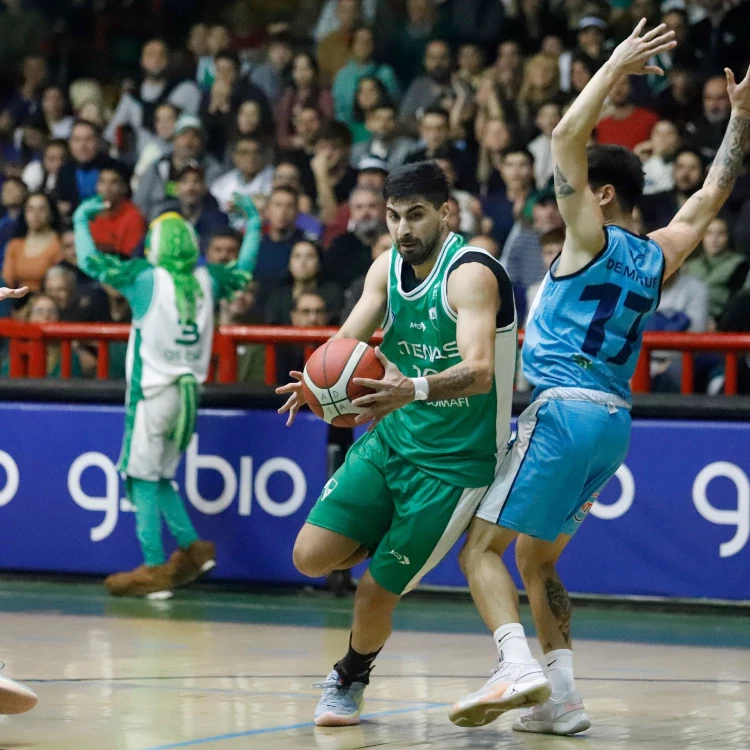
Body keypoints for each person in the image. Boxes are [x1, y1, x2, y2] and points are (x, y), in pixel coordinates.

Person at [451, 21, 750, 736]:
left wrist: (615, 64)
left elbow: (561, 137)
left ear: (604, 195)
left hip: (562, 410)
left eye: (580, 192)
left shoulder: (591, 238)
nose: (562, 205)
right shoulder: (658, 256)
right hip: (614, 423)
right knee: (536, 558)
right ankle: (564, 701)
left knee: (480, 550)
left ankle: (514, 664)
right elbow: (709, 196)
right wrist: (739, 119)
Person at [276, 161, 517, 727]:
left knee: (372, 594)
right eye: (393, 216)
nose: (403, 228)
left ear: (445, 213)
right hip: (391, 441)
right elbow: (345, 341)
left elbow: (480, 371)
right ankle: (381, 530)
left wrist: (411, 387)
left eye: (415, 215)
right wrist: (315, 386)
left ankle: (349, 678)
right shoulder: (385, 268)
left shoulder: (471, 275)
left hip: (453, 466)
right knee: (309, 557)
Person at [72, 192, 262, 598]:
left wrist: (79, 220)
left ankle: (155, 569)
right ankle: (195, 549)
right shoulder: (207, 279)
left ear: (154, 245)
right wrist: (255, 227)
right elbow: (244, 271)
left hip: (154, 395)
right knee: (160, 479)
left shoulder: (145, 278)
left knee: (139, 478)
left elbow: (90, 262)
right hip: (190, 397)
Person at [685, 217, 748, 327]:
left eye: (720, 234)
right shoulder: (689, 266)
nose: (714, 239)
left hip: (725, 323)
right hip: (690, 321)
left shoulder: (740, 264)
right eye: (708, 233)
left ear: (728, 237)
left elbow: (740, 301)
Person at [263, 239, 343, 325]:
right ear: (289, 264)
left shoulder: (333, 293)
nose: (303, 262)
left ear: (319, 263)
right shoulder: (277, 295)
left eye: (309, 256)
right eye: (297, 256)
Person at [2, 192, 62, 293]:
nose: (35, 214)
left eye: (41, 209)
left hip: (49, 301)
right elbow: (7, 282)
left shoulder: (59, 244)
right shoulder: (15, 245)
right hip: (18, 301)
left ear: (51, 213)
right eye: (31, 209)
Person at [275, 53, 335, 149]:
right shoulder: (287, 97)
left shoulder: (324, 95)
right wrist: (291, 141)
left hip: (318, 146)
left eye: (306, 68)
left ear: (314, 71)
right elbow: (281, 131)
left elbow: (328, 124)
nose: (301, 73)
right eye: (297, 69)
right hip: (293, 148)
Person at [209, 137, 274, 225]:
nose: (251, 157)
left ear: (262, 156)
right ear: (235, 157)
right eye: (244, 153)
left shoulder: (275, 179)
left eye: (256, 153)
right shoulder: (221, 185)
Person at [89, 166, 147, 257]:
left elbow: (130, 257)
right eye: (102, 182)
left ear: (124, 188)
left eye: (113, 183)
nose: (107, 188)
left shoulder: (133, 217)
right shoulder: (89, 212)